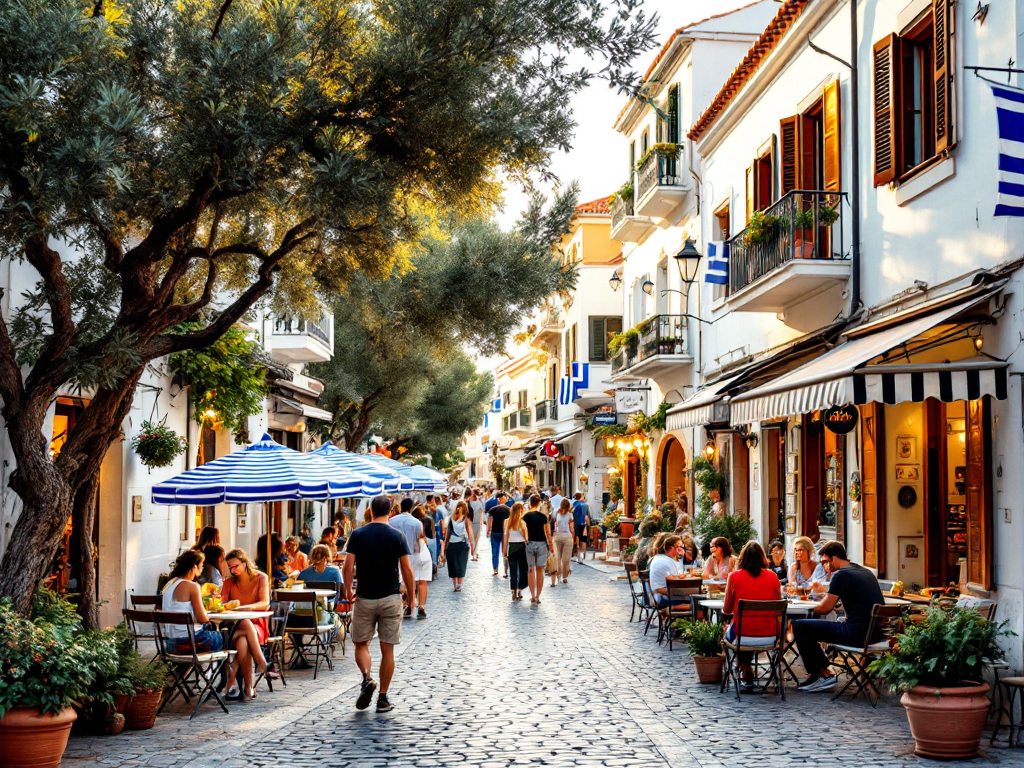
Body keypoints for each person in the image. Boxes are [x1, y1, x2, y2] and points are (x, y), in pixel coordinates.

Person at [343, 495, 415, 713]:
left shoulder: (357, 534)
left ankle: (366, 678)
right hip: (391, 598)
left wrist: (348, 590)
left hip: (365, 597)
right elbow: (406, 569)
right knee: (388, 651)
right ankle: (382, 698)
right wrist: (412, 598)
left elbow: (348, 567)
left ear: (371, 511)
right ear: (391, 512)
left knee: (361, 644)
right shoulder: (397, 535)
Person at [793, 540, 885, 693]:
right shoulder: (865, 571)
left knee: (800, 626)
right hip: (876, 635)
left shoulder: (841, 575)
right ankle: (824, 671)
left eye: (824, 562)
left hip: (856, 634)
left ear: (833, 558)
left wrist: (805, 606)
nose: (823, 566)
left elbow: (825, 608)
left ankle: (820, 674)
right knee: (810, 626)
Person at [722, 541, 783, 690]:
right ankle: (770, 672)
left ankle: (745, 669)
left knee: (731, 629)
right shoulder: (773, 577)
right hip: (770, 636)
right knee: (746, 626)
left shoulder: (734, 576)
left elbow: (727, 609)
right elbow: (778, 607)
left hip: (742, 636)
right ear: (763, 557)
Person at [220, 549, 270, 702]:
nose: (233, 570)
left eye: (235, 566)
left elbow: (265, 603)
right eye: (230, 567)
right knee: (243, 633)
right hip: (234, 628)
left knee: (244, 637)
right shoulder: (228, 582)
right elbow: (221, 605)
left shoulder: (261, 578)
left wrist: (244, 608)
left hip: (257, 625)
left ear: (244, 563)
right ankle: (259, 665)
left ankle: (233, 678)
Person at [160, 550, 224, 654]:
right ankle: (213, 669)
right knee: (223, 637)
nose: (202, 568)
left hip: (170, 643)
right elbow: (203, 619)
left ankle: (199, 669)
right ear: (194, 566)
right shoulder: (192, 586)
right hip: (190, 642)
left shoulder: (169, 584)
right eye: (201, 565)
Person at [390, 498, 431, 618]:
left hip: (402, 554)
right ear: (411, 507)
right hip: (419, 553)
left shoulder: (392, 521)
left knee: (407, 579)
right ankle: (421, 606)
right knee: (422, 580)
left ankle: (409, 605)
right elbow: (421, 538)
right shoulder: (417, 523)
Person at [523, 494, 553, 604]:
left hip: (530, 543)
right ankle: (538, 596)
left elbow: (523, 531)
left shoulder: (526, 517)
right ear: (539, 504)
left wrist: (525, 541)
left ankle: (532, 595)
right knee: (540, 570)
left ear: (530, 503)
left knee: (531, 570)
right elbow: (548, 533)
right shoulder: (543, 517)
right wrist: (551, 546)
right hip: (541, 544)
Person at [442, 501, 475, 591]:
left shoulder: (450, 519)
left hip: (451, 545)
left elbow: (447, 535)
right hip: (462, 544)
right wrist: (473, 549)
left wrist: (444, 548)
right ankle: (459, 585)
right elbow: (470, 535)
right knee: (461, 564)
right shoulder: (466, 519)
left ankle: (454, 584)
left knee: (452, 565)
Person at [647, 534, 685, 607]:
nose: (681, 549)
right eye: (679, 547)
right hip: (663, 599)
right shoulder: (664, 561)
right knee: (697, 600)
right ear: (670, 548)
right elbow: (660, 589)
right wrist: (687, 592)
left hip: (663, 596)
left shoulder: (663, 558)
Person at [502, 502, 529, 602]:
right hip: (521, 546)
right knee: (522, 569)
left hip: (511, 546)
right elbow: (526, 537)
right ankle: (519, 590)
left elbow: (506, 537)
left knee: (512, 570)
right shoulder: (522, 522)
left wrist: (504, 549)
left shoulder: (506, 522)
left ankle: (513, 591)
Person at [486, 490, 511, 577]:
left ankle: (495, 569)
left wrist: (488, 531)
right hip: (504, 533)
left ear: (498, 500)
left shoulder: (493, 510)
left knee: (495, 551)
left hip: (495, 532)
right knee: (505, 552)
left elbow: (489, 521)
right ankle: (505, 570)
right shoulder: (509, 510)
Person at [551, 497, 574, 585]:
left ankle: (563, 576)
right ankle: (561, 576)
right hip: (562, 536)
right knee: (562, 558)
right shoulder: (557, 512)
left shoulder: (567, 514)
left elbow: (571, 528)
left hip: (563, 536)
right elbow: (572, 528)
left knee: (563, 558)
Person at [571, 492, 590, 563]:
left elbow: (571, 513)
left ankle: (578, 555)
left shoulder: (574, 505)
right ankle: (584, 554)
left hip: (576, 523)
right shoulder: (585, 505)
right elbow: (588, 515)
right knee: (584, 539)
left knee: (577, 537)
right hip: (584, 524)